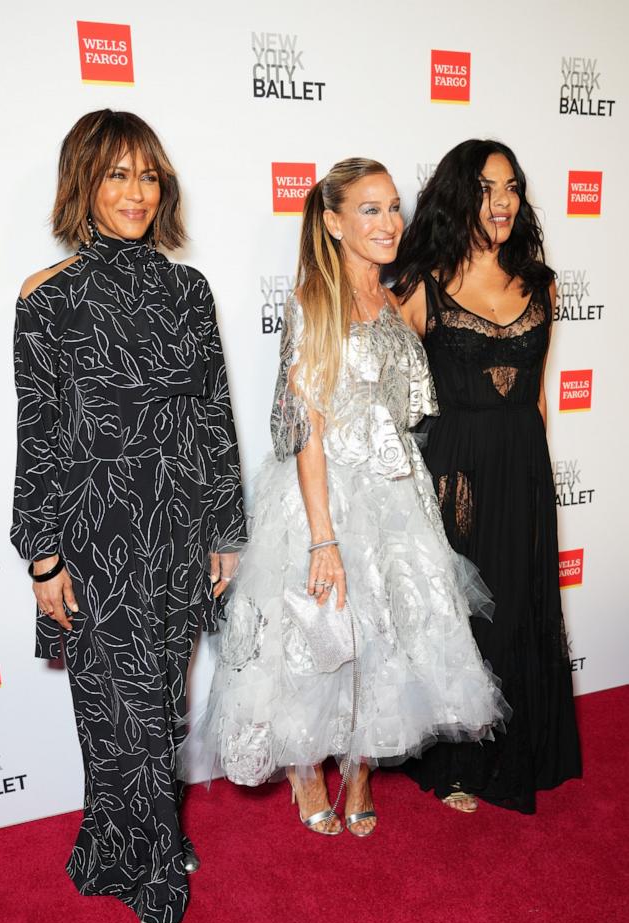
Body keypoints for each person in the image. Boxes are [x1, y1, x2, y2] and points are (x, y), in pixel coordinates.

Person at [179, 158, 509, 836]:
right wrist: (323, 537)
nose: (389, 222)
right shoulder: (311, 304)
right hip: (320, 495)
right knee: (314, 639)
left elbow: (408, 413)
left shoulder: (396, 303)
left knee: (383, 635)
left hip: (395, 495)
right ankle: (306, 773)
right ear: (332, 221)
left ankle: (360, 769)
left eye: (393, 207)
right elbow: (306, 428)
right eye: (369, 209)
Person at [11, 109, 245, 923]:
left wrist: (224, 529)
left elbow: (213, 417)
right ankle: (148, 874)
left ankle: (139, 838)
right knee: (112, 712)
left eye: (149, 175)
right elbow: (38, 431)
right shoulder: (48, 297)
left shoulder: (189, 290)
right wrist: (41, 557)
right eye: (117, 174)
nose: (137, 192)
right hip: (92, 535)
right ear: (84, 183)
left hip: (177, 528)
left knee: (159, 707)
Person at [394, 139, 581, 814]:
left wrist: (541, 471)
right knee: (467, 616)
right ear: (456, 196)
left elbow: (535, 397)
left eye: (511, 188)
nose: (502, 203)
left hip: (523, 464)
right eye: (485, 189)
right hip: (457, 471)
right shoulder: (420, 289)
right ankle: (459, 763)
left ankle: (521, 745)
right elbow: (383, 392)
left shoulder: (541, 282)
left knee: (523, 602)